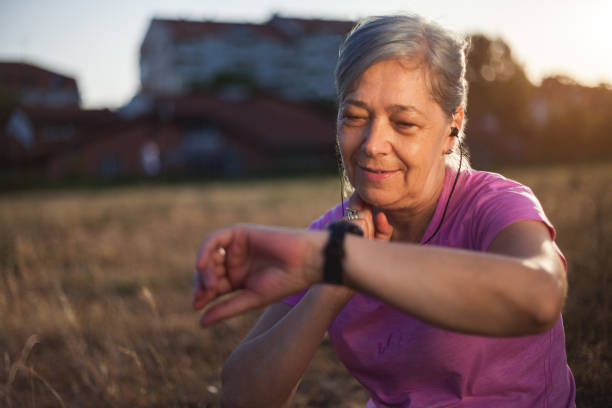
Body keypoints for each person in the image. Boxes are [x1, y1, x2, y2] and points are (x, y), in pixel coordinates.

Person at [192, 14, 576, 408]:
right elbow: (241, 397)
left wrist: (343, 259)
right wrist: (333, 283)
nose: (373, 144)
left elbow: (541, 296)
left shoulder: (495, 204)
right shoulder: (335, 233)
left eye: (404, 122)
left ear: (452, 128)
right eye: (355, 117)